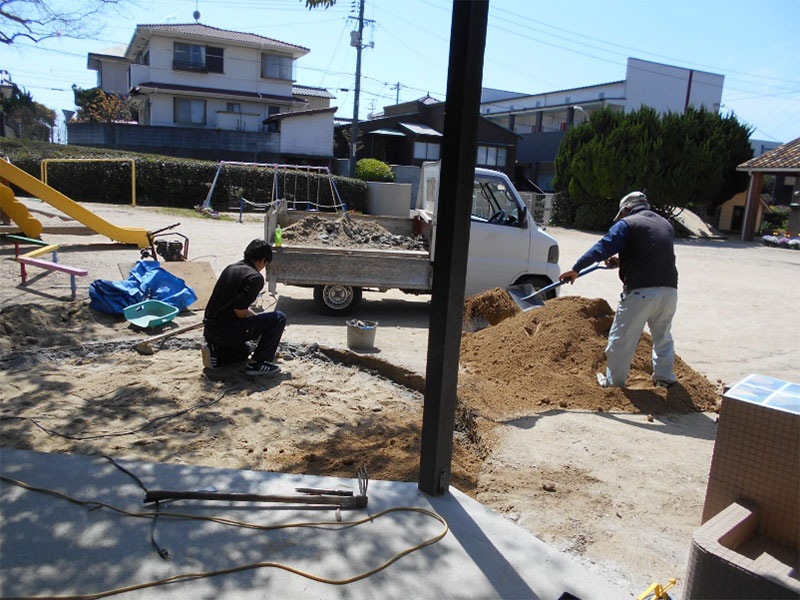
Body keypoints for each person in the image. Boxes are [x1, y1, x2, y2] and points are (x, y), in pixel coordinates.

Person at [558, 191, 678, 389]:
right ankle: (664, 378)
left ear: (626, 209)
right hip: (669, 292)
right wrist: (622, 262)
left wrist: (576, 269)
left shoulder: (628, 223)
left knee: (621, 340)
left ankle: (614, 384)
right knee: (663, 337)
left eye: (622, 214)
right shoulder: (664, 224)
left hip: (641, 293)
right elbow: (651, 253)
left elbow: (603, 247)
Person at [201, 239, 287, 376]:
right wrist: (258, 328)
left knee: (245, 351)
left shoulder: (231, 268)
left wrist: (257, 321)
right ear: (262, 260)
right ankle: (258, 364)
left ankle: (217, 355)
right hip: (226, 331)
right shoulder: (255, 278)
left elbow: (233, 306)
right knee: (279, 318)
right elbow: (239, 310)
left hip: (211, 330)